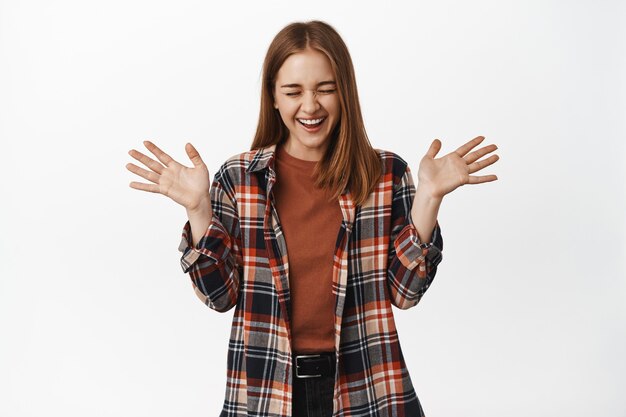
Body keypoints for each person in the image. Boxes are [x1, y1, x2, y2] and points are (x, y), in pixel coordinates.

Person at [126, 20, 498, 417]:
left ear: (345, 92)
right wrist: (198, 209)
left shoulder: (385, 174)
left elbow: (405, 294)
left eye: (325, 89)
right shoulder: (239, 179)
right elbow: (220, 296)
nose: (310, 106)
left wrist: (428, 198)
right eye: (293, 91)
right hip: (266, 393)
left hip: (368, 391)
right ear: (272, 96)